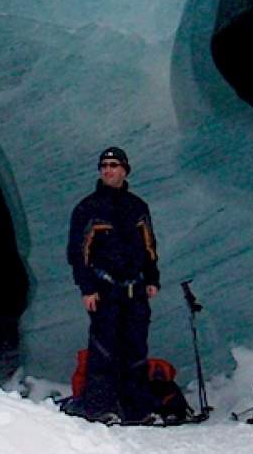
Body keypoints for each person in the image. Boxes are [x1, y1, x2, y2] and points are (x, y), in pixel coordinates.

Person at [65, 146, 162, 424]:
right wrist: (87, 288)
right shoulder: (88, 208)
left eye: (114, 165)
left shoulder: (137, 207)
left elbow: (149, 246)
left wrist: (152, 278)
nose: (108, 170)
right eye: (104, 166)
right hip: (104, 290)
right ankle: (100, 408)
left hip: (135, 289)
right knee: (103, 350)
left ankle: (137, 409)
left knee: (136, 349)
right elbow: (77, 253)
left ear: (124, 170)